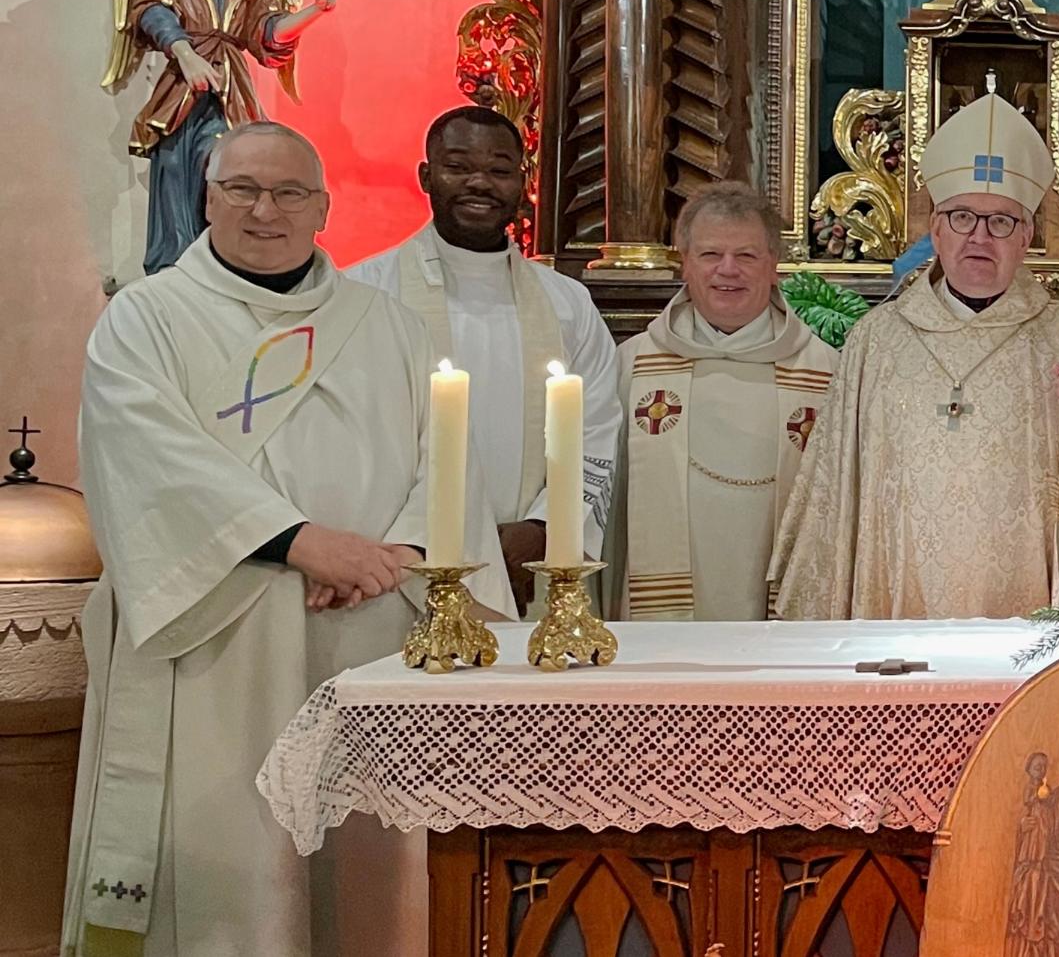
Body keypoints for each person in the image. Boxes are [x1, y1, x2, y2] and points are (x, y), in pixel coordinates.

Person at [62, 122, 510, 957]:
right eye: (242, 189)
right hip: (220, 640)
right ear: (208, 198)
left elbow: (447, 461)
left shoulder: (389, 326)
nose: (264, 210)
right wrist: (300, 542)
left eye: (288, 192)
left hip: (370, 635)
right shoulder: (146, 320)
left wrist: (400, 556)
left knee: (366, 884)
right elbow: (147, 456)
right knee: (236, 874)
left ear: (323, 209)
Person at [769, 91, 1059, 620]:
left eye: (1001, 222)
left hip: (1030, 610)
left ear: (1027, 236)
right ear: (935, 228)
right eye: (961, 217)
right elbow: (831, 500)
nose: (979, 236)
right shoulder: (876, 341)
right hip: (897, 605)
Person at [349, 106, 620, 610]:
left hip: (537, 559)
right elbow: (352, 437)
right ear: (426, 176)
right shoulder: (365, 293)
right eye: (458, 166)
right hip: (400, 562)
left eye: (499, 170)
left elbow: (597, 424)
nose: (479, 183)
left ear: (522, 182)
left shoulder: (566, 302)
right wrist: (428, 541)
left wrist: (544, 528)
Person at [606, 183, 839, 620]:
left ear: (774, 265)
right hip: (660, 622)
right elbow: (608, 513)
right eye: (710, 254)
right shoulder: (632, 367)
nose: (728, 270)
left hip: (785, 620)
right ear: (685, 263)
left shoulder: (826, 372)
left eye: (746, 255)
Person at [108, 0, 337, 274]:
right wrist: (186, 54)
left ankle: (229, 261)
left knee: (234, 166)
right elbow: (152, 13)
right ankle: (175, 266)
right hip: (182, 91)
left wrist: (314, 11)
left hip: (234, 93)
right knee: (177, 167)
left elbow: (267, 33)